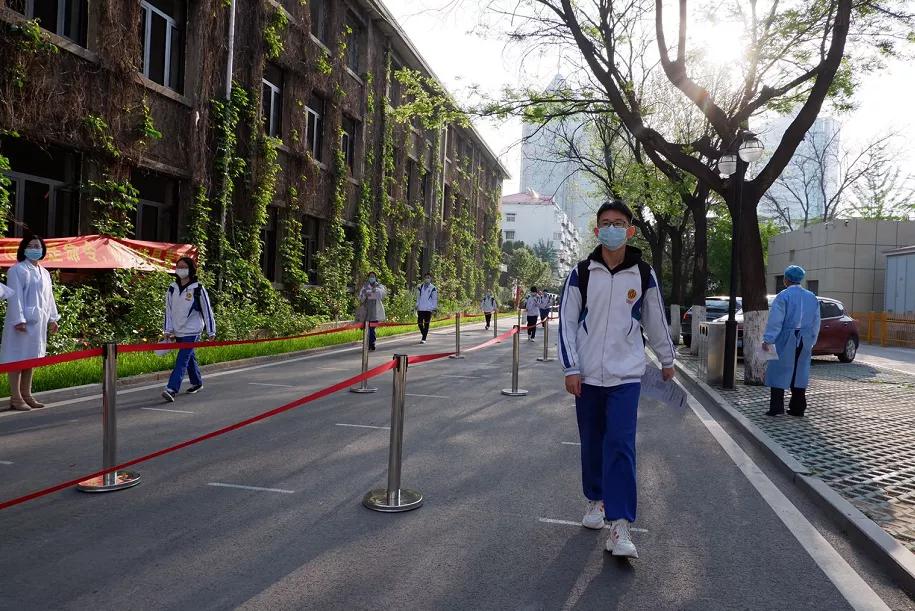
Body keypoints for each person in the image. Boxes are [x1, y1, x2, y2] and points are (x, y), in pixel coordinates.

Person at [559, 199, 676, 559]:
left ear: (630, 230)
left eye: (619, 223)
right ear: (597, 230)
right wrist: (571, 368)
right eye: (606, 223)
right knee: (592, 443)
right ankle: (595, 499)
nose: (612, 229)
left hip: (626, 375)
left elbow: (655, 318)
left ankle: (620, 524)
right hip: (587, 377)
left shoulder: (643, 274)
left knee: (621, 445)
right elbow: (566, 322)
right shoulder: (581, 272)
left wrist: (667, 358)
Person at [1, 234, 61, 411]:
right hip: (21, 323)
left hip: (38, 322)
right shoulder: (17, 270)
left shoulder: (44, 272)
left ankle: (27, 394)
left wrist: (53, 318)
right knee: (17, 358)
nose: (35, 249)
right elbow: (15, 297)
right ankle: (16, 397)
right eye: (31, 246)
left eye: (38, 246)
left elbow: (49, 297)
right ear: (24, 249)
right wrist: (18, 319)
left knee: (31, 358)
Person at [762, 265, 820, 417]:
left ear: (786, 279)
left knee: (779, 370)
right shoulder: (812, 297)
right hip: (805, 338)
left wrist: (768, 339)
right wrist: (812, 340)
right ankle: (798, 408)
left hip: (786, 337)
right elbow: (816, 321)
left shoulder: (783, 296)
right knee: (800, 372)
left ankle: (777, 407)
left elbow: (776, 321)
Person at [161, 257, 216, 403]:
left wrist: (211, 331)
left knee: (182, 359)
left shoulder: (198, 288)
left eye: (184, 267)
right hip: (178, 330)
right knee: (189, 357)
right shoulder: (172, 288)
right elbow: (168, 310)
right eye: (178, 266)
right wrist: (168, 330)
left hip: (193, 330)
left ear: (191, 269)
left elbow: (207, 310)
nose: (180, 269)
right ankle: (197, 382)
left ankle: (171, 389)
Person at [358, 272, 387, 351]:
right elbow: (361, 297)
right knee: (366, 329)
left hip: (375, 312)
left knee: (372, 329)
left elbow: (380, 295)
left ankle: (372, 343)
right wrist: (370, 293)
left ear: (375, 278)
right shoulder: (364, 286)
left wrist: (368, 294)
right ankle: (366, 343)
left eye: (373, 276)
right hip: (366, 311)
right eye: (370, 276)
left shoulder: (379, 286)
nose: (372, 278)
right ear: (368, 278)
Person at [414, 273, 438, 344]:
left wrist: (433, 308)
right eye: (426, 277)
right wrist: (417, 305)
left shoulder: (433, 288)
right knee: (419, 323)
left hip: (428, 309)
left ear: (431, 279)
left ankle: (423, 338)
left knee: (426, 324)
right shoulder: (420, 287)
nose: (427, 279)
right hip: (421, 308)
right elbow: (418, 297)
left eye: (428, 277)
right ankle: (424, 334)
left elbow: (434, 299)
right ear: (424, 278)